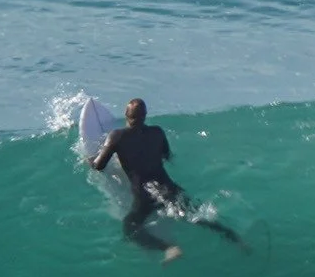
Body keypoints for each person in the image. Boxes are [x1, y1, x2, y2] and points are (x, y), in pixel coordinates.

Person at [86, 98, 243, 262]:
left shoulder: (117, 136)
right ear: (145, 116)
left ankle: (169, 248)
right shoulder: (157, 132)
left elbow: (99, 166)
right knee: (197, 217)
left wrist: (89, 159)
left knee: (130, 229)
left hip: (144, 193)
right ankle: (234, 238)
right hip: (169, 187)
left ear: (126, 114)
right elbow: (166, 156)